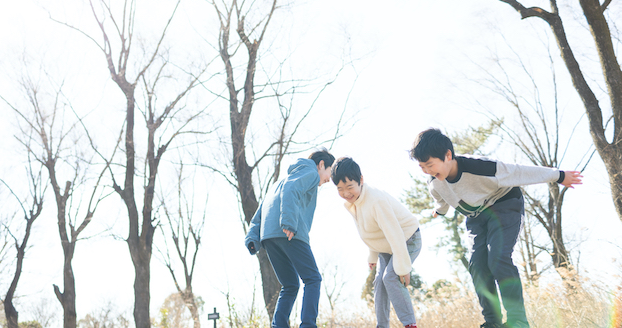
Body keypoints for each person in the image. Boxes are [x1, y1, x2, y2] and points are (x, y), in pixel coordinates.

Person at [409, 128, 583, 328]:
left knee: (497, 257)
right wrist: (439, 211)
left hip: (504, 204)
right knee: (478, 265)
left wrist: (559, 176)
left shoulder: (482, 167)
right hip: (476, 217)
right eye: (422, 167)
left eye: (429, 165)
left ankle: (518, 320)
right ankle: (492, 322)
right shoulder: (434, 183)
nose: (427, 171)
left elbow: (519, 172)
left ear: (448, 155)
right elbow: (441, 199)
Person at [244, 148, 335, 328]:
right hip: (290, 232)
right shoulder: (310, 172)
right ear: (322, 164)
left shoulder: (278, 183)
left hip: (269, 237)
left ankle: (278, 325)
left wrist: (252, 238)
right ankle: (308, 325)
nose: (327, 180)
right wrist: (289, 222)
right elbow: (292, 189)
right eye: (329, 173)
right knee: (312, 279)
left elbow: (260, 212)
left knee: (290, 284)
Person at [331, 157, 421, 328]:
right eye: (340, 189)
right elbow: (370, 232)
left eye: (350, 187)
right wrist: (372, 255)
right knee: (379, 282)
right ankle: (382, 325)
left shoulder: (375, 201)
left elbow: (395, 234)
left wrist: (403, 268)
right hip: (387, 247)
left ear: (361, 180)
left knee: (390, 277)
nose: (346, 193)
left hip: (407, 239)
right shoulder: (355, 202)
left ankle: (410, 324)